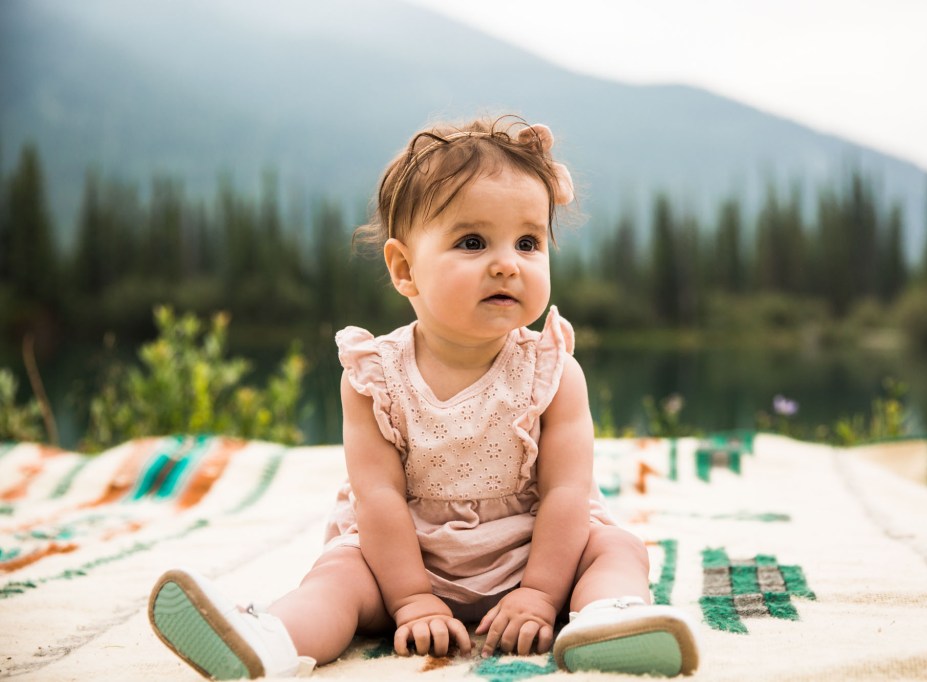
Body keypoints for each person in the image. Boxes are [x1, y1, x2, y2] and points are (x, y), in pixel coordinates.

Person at [148, 115, 700, 679]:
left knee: (617, 549)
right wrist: (411, 600)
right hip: (403, 561)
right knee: (337, 577)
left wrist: (538, 593)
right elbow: (379, 497)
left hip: (535, 554)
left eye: (529, 242)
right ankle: (270, 639)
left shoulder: (553, 371)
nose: (508, 262)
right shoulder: (373, 377)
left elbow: (565, 493)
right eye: (472, 242)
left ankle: (606, 618)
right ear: (404, 268)